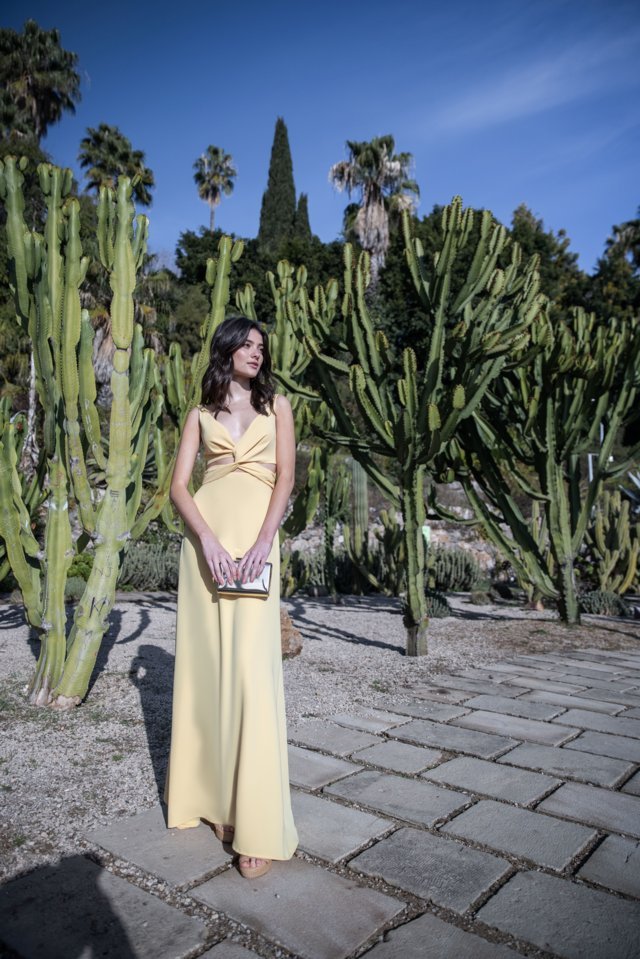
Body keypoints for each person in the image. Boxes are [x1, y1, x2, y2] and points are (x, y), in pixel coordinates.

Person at [164, 315, 299, 879]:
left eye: (261, 346)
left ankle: (258, 823)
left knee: (252, 676)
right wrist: (210, 542)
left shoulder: (278, 408)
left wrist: (265, 542)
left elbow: (285, 478)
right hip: (207, 553)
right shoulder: (200, 415)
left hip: (256, 549)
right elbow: (179, 486)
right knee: (210, 674)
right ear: (225, 350)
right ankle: (216, 804)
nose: (256, 352)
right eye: (246, 344)